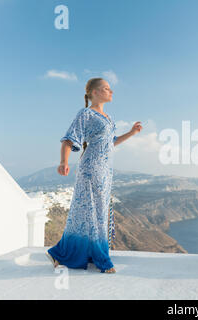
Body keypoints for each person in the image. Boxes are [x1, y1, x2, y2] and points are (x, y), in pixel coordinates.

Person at [46, 78, 142, 273]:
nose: (111, 91)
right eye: (107, 88)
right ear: (95, 92)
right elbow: (68, 139)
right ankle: (100, 258)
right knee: (89, 212)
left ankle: (62, 252)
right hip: (90, 169)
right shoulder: (86, 114)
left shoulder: (107, 117)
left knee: (94, 212)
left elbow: (110, 142)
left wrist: (131, 133)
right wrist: (64, 162)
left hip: (105, 171)